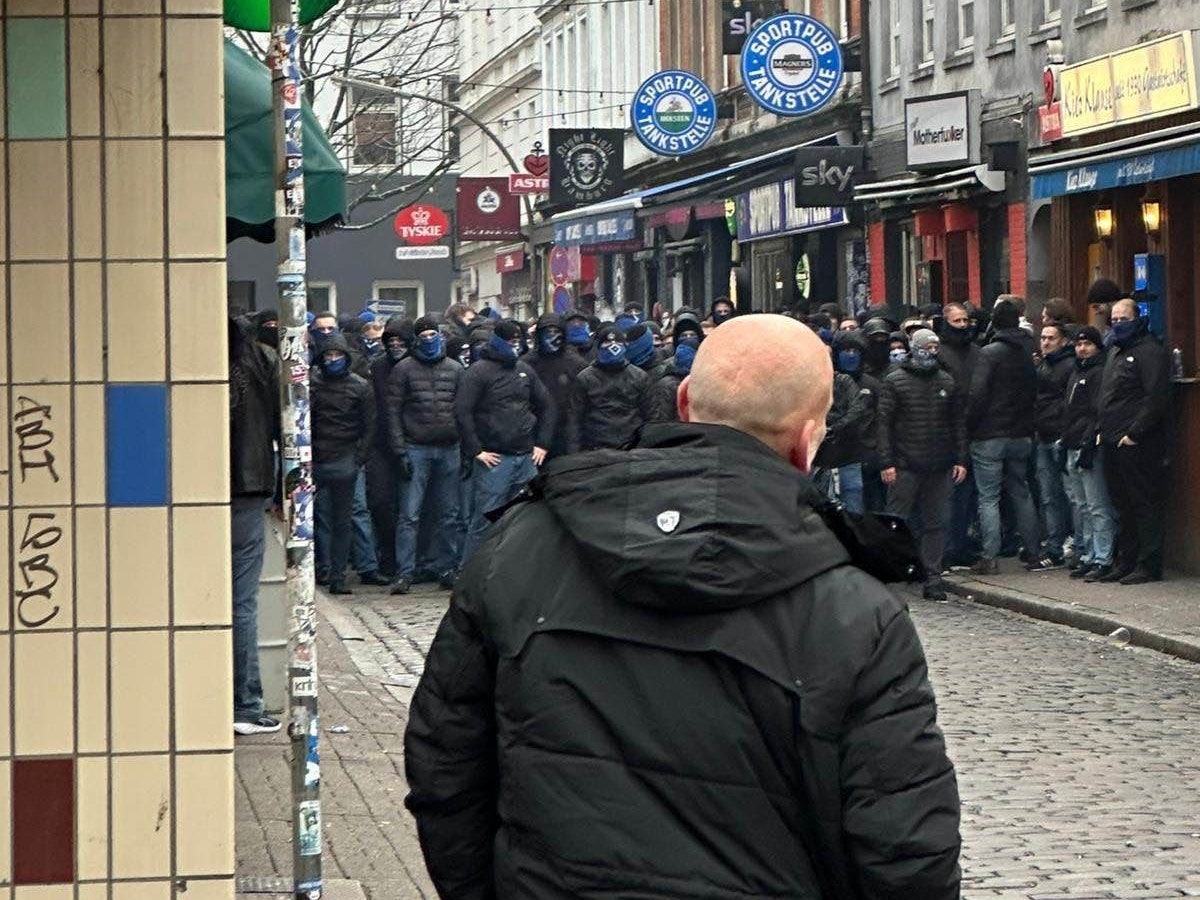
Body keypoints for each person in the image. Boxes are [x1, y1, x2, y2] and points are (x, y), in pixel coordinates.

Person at [405, 314, 961, 900]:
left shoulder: (517, 546)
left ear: (683, 401)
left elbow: (445, 764)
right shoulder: (860, 613)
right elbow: (907, 851)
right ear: (807, 441)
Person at [877, 329, 968, 601]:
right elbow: (884, 424)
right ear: (915, 348)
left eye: (935, 347)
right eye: (927, 347)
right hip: (905, 464)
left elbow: (957, 424)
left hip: (939, 464)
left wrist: (960, 459)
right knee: (897, 520)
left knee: (936, 522)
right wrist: (887, 462)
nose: (932, 352)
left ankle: (933, 576)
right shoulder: (895, 381)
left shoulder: (947, 381)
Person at [455, 319, 555, 563]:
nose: (515, 346)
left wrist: (542, 443)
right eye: (510, 342)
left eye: (519, 342)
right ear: (498, 342)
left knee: (526, 520)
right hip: (494, 461)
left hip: (525, 458)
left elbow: (548, 405)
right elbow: (462, 411)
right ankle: (468, 573)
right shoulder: (478, 372)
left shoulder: (524, 370)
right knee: (484, 520)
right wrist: (476, 450)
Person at [229, 315, 282, 735]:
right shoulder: (262, 360)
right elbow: (287, 424)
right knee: (242, 602)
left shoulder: (190, 355)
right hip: (249, 486)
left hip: (191, 494)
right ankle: (245, 704)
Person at [967, 298, 1045, 574]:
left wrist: (969, 427)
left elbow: (977, 396)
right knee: (1021, 491)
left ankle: (990, 556)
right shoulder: (1028, 351)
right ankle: (1034, 552)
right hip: (1021, 431)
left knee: (988, 497)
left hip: (990, 433)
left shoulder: (989, 354)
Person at [386, 316, 464, 594]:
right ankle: (404, 573)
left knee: (450, 515)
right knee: (409, 515)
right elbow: (392, 411)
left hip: (450, 447)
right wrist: (399, 451)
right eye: (425, 335)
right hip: (415, 447)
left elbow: (463, 411)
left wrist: (466, 450)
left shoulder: (456, 369)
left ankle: (447, 568)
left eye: (434, 334)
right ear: (417, 339)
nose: (430, 339)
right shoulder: (404, 369)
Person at [1097, 298, 1171, 584]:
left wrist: (1134, 433)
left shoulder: (1150, 351)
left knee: (1143, 503)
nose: (1117, 324)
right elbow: (1107, 393)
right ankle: (1125, 560)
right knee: (1121, 504)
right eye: (1114, 319)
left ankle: (1148, 563)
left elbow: (1155, 398)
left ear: (1136, 318)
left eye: (1123, 319)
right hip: (1111, 439)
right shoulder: (1115, 350)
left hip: (1137, 442)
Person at [311, 333, 376, 595]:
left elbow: (370, 426)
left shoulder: (359, 387)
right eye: (329, 355)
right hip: (320, 459)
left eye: (337, 355)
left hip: (344, 459)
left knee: (341, 521)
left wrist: (359, 458)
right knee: (322, 519)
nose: (333, 360)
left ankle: (336, 573)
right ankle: (326, 569)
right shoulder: (313, 384)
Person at [1062, 326, 1117, 582]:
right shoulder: (1077, 370)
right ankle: (1089, 554)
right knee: (1082, 505)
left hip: (1087, 444)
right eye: (1078, 344)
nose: (1082, 348)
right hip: (1073, 442)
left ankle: (1102, 557)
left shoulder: (1097, 372)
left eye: (1087, 344)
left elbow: (1096, 412)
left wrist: (1088, 440)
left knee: (1097, 505)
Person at [365, 317, 413, 578]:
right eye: (391, 341)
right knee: (382, 503)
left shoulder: (416, 365)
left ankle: (408, 560)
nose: (395, 346)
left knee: (411, 508)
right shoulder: (378, 368)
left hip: (413, 441)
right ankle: (388, 557)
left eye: (400, 341)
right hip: (381, 444)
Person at [937, 303, 981, 567]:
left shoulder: (977, 352)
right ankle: (946, 547)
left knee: (967, 496)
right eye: (957, 321)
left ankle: (960, 544)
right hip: (947, 430)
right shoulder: (941, 353)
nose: (964, 326)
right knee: (947, 494)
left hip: (975, 428)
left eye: (966, 321)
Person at [566, 325, 653, 453]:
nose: (613, 346)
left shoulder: (639, 376)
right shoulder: (585, 378)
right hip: (596, 448)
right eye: (607, 342)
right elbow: (575, 419)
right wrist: (573, 453)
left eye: (617, 342)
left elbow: (650, 415)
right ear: (599, 347)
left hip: (632, 448)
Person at [1033, 323, 1076, 565]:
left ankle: (1073, 542)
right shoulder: (1042, 365)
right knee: (1049, 495)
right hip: (1043, 434)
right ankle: (1054, 544)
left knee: (1070, 494)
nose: (1046, 342)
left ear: (1062, 341)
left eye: (1051, 338)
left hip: (1060, 434)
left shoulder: (1068, 365)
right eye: (1043, 338)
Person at [526, 313, 588, 459]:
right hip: (535, 433)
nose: (552, 337)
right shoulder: (526, 364)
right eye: (547, 332)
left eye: (556, 332)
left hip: (567, 432)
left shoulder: (576, 363)